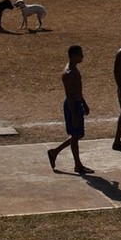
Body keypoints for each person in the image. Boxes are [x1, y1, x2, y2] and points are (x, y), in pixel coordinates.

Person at [47, 45, 94, 174]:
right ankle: (77, 165)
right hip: (72, 105)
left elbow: (78, 90)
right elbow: (70, 95)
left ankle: (55, 152)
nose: (82, 56)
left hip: (77, 103)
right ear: (73, 56)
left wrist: (84, 103)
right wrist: (73, 113)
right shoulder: (68, 73)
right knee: (75, 135)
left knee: (78, 134)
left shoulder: (75, 70)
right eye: (80, 54)